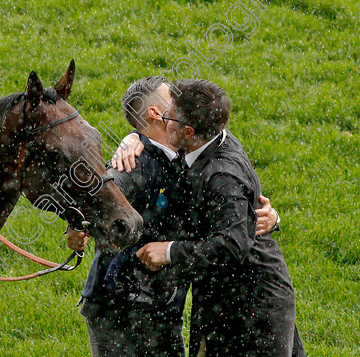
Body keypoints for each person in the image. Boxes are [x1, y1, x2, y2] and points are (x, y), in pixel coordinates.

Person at [68, 76, 279, 357]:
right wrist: (77, 225)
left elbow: (230, 195)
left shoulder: (193, 148)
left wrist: (271, 218)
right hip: (120, 308)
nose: (180, 101)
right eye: (172, 98)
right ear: (157, 113)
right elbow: (99, 197)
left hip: (161, 305)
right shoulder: (132, 162)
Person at [136, 79, 298, 357]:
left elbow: (232, 246)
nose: (164, 120)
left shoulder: (222, 175)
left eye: (169, 116)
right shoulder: (210, 136)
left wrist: (170, 252)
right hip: (222, 298)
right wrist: (133, 139)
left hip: (252, 307)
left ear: (189, 131)